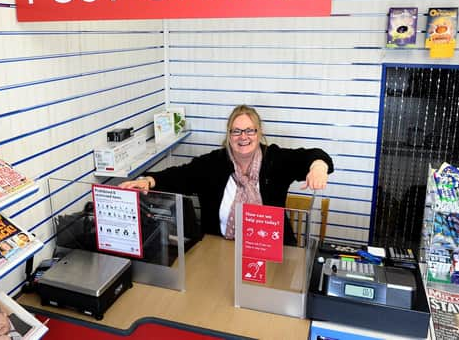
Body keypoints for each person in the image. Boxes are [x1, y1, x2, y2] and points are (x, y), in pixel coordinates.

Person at [120, 104, 333, 243]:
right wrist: (148, 180)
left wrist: (318, 167)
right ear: (229, 135)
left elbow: (313, 155)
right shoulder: (214, 162)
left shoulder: (275, 159)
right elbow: (181, 175)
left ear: (259, 133)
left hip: (274, 252)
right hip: (219, 252)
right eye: (236, 131)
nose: (243, 137)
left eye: (250, 130)